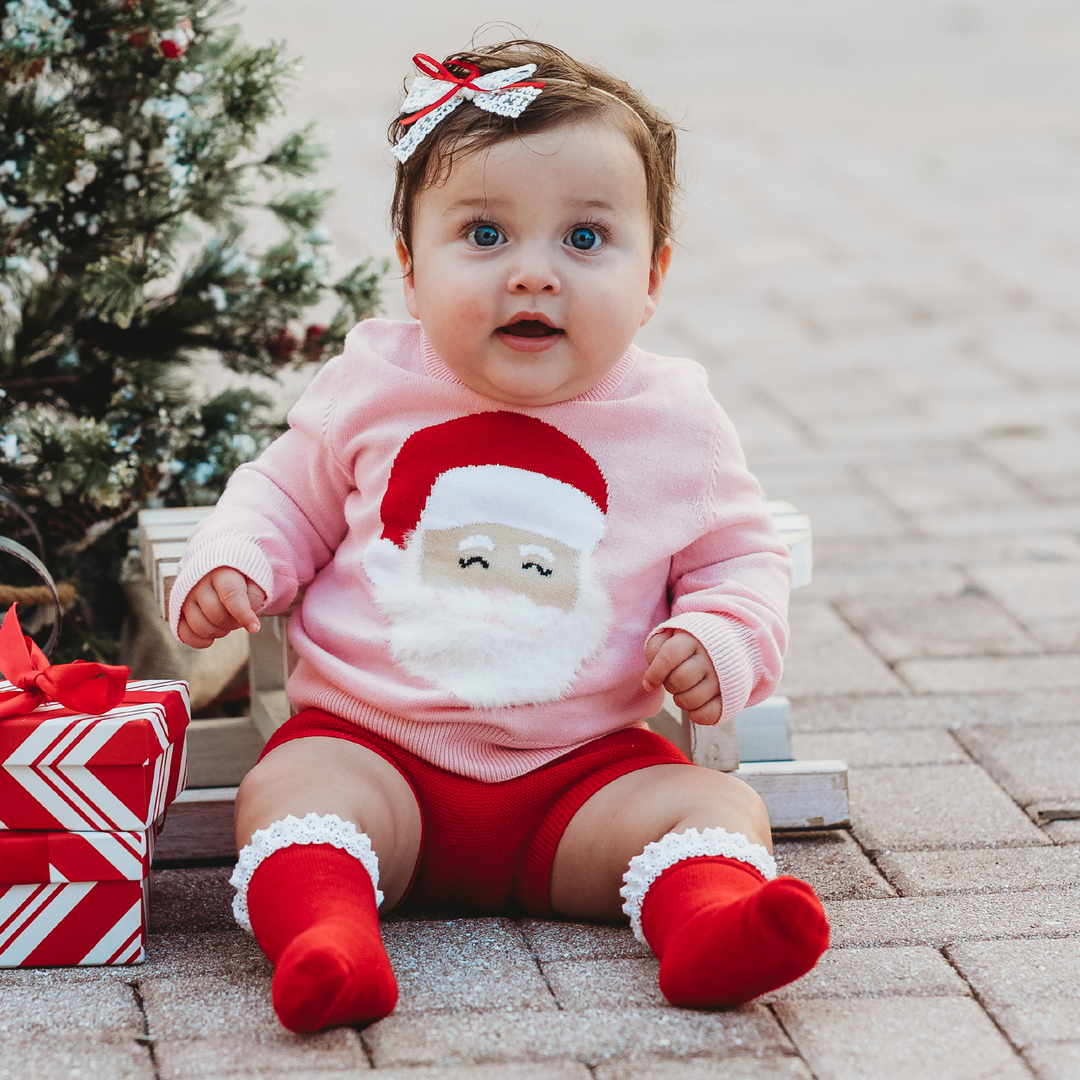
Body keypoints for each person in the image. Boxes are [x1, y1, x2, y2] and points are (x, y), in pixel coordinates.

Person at [170, 40, 830, 1034]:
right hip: (372, 749)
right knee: (288, 790)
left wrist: (721, 639)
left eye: (584, 239)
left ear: (652, 276)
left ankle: (712, 926)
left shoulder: (676, 424)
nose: (532, 275)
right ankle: (327, 938)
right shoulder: (372, 387)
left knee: (712, 808)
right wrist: (235, 561)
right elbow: (285, 496)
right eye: (483, 234)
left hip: (583, 777)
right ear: (408, 270)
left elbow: (740, 557)